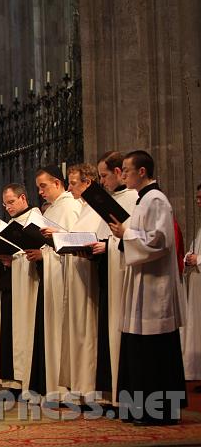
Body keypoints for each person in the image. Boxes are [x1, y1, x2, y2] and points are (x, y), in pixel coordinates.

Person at [109, 150, 186, 425]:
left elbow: (160, 241)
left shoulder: (156, 200)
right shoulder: (142, 202)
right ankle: (139, 409)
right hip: (141, 282)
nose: (124, 175)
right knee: (138, 347)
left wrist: (126, 233)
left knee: (154, 350)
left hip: (155, 288)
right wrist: (124, 235)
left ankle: (160, 411)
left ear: (142, 172)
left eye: (127, 170)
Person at [24, 165, 81, 403]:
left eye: (43, 186)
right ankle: (53, 386)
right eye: (38, 188)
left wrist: (44, 252)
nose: (41, 192)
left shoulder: (70, 207)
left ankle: (64, 388)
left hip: (64, 279)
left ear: (58, 183)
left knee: (60, 331)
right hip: (51, 277)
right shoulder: (55, 209)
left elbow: (74, 243)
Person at [59, 164, 108, 403]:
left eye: (73, 183)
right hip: (78, 276)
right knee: (78, 331)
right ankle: (81, 385)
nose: (69, 188)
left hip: (90, 280)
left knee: (89, 331)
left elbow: (102, 239)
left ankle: (91, 388)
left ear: (88, 182)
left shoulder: (98, 207)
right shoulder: (84, 208)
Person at [92, 151, 137, 405]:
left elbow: (130, 237)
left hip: (123, 275)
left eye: (104, 175)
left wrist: (107, 245)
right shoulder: (111, 199)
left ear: (119, 173)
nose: (102, 181)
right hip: (108, 272)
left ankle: (124, 395)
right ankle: (110, 393)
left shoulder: (133, 199)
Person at [0, 183, 40, 395]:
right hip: (10, 283)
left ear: (23, 198)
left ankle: (26, 381)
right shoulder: (9, 224)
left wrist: (16, 258)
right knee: (9, 333)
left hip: (29, 283)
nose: (9, 208)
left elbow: (41, 251)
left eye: (12, 202)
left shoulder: (35, 219)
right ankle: (12, 382)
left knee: (26, 332)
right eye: (5, 205)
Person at [182, 182, 201, 384]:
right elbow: (195, 247)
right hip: (197, 282)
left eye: (200, 198)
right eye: (197, 198)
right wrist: (189, 256)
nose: (197, 202)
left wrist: (199, 259)